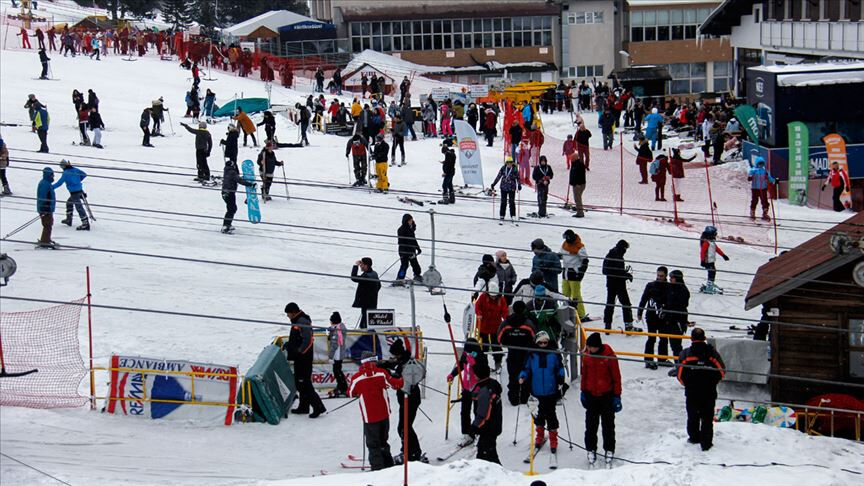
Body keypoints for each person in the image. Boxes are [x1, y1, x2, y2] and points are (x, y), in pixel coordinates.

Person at [349, 351, 403, 471]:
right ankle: (388, 464)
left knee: (373, 444)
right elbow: (396, 384)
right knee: (383, 441)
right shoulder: (382, 373)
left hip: (369, 417)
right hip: (384, 414)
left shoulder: (357, 378)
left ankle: (377, 468)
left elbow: (351, 392)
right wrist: (404, 378)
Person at [677, 327, 725, 451]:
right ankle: (706, 442)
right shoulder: (712, 353)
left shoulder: (685, 354)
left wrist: (687, 384)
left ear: (691, 339)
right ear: (704, 338)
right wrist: (713, 383)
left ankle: (694, 437)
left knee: (692, 415)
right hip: (709, 391)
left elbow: (679, 374)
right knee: (707, 417)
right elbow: (722, 371)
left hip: (692, 392)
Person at [519, 331, 566, 454]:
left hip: (551, 390)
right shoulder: (531, 354)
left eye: (545, 342)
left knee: (551, 415)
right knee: (538, 415)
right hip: (536, 390)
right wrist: (522, 376)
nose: (543, 344)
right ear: (537, 342)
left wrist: (561, 376)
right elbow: (526, 368)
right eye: (541, 342)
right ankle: (539, 435)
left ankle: (553, 438)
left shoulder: (554, 354)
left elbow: (560, 367)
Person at [581, 332, 621, 467]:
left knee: (608, 426)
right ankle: (591, 449)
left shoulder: (610, 358)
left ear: (598, 346)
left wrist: (617, 396)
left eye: (591, 347)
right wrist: (583, 391)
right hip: (591, 396)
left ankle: (609, 449)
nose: (589, 349)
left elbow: (616, 378)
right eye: (588, 347)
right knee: (591, 426)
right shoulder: (587, 357)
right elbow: (584, 375)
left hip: (606, 396)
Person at [282, 303, 326, 418]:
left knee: (304, 383)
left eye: (288, 314)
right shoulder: (298, 320)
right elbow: (297, 339)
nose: (287, 316)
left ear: (293, 312)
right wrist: (289, 345)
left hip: (304, 359)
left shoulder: (302, 321)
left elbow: (308, 340)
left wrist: (300, 351)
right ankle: (304, 406)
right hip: (299, 358)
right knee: (300, 383)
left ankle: (318, 407)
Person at [386, 338, 425, 464]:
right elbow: (393, 365)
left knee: (404, 427)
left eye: (394, 355)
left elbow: (402, 380)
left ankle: (412, 453)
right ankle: (410, 451)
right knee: (404, 427)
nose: (393, 357)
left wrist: (391, 375)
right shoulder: (403, 359)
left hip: (409, 397)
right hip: (406, 398)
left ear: (399, 353)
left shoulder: (407, 364)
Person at [447, 338, 487, 447]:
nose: (468, 353)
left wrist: (474, 364)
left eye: (470, 352)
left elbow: (484, 372)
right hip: (466, 388)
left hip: (478, 388)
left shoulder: (481, 356)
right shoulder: (465, 355)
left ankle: (478, 432)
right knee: (464, 412)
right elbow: (460, 365)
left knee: (477, 412)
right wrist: (453, 374)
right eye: (466, 351)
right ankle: (467, 433)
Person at [497, 301, 537, 405]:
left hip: (512, 354)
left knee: (513, 376)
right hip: (525, 354)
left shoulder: (506, 323)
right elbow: (534, 337)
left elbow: (500, 337)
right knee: (526, 375)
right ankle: (524, 398)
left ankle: (513, 399)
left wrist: (508, 343)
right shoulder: (528, 323)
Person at [637, 266, 669, 370]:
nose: (659, 277)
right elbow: (644, 299)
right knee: (651, 338)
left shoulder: (668, 287)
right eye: (658, 275)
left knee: (663, 338)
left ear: (666, 276)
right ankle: (648, 360)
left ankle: (662, 359)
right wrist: (639, 312)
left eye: (661, 276)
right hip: (651, 316)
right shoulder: (650, 286)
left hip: (663, 317)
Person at [471, 360, 503, 464]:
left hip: (488, 427)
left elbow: (484, 412)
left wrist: (476, 426)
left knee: (488, 455)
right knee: (484, 452)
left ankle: (500, 475)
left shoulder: (485, 390)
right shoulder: (491, 384)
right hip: (493, 425)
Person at [474, 281, 509, 371]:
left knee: (496, 346)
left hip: (495, 326)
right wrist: (479, 314)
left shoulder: (501, 299)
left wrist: (506, 319)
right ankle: (484, 364)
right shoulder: (482, 297)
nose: (493, 297)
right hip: (483, 326)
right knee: (484, 346)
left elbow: (504, 311)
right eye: (491, 295)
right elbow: (477, 307)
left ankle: (498, 363)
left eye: (495, 295)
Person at [602, 240, 635, 331]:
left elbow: (606, 271)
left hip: (610, 284)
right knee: (626, 304)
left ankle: (607, 325)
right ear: (623, 248)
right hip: (619, 285)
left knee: (610, 304)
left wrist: (623, 273)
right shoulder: (618, 256)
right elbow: (617, 272)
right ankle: (628, 325)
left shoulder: (609, 255)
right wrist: (626, 275)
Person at [219, 159, 255, 234]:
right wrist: (250, 184)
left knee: (232, 208)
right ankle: (226, 226)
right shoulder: (232, 172)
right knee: (231, 209)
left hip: (225, 193)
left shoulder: (227, 171)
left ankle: (228, 224)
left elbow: (237, 178)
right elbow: (239, 180)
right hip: (229, 192)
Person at [561, 230, 590, 321]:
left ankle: (581, 314)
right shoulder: (565, 244)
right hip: (565, 271)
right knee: (565, 294)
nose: (566, 240)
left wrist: (581, 273)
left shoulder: (579, 246)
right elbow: (563, 255)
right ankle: (565, 312)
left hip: (574, 273)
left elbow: (585, 260)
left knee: (576, 295)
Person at [53, 160, 89, 231]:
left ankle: (85, 223)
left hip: (74, 192)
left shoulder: (65, 173)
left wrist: (51, 187)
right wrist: (77, 180)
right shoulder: (75, 169)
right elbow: (84, 174)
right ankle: (69, 219)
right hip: (80, 190)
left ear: (63, 166)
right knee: (69, 203)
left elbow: (59, 183)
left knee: (79, 207)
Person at [665, 269, 691, 364]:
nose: (670, 279)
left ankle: (679, 364)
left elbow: (681, 305)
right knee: (672, 344)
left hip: (677, 321)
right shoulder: (670, 287)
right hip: (671, 320)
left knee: (676, 344)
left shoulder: (682, 290)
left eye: (672, 278)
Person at [490, 157, 521, 225]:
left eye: (511, 162)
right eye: (508, 162)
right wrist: (494, 184)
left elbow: (518, 178)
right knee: (503, 202)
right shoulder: (503, 168)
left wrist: (519, 185)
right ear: (506, 163)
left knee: (512, 202)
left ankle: (513, 215)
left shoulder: (514, 169)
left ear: (512, 163)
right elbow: (499, 176)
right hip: (503, 187)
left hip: (511, 188)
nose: (509, 164)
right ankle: (502, 215)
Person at [351, 257, 381, 328]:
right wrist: (373, 293)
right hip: (373, 302)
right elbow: (379, 285)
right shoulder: (374, 274)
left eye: (362, 265)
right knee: (368, 320)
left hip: (366, 303)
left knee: (365, 323)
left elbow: (353, 277)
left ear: (366, 265)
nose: (360, 266)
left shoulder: (366, 276)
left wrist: (356, 266)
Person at [699, 225, 728, 294]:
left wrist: (723, 255)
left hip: (711, 261)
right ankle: (709, 286)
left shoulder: (711, 242)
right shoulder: (706, 242)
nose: (715, 235)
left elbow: (716, 249)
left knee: (713, 272)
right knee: (712, 272)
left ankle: (710, 283)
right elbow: (702, 252)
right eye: (714, 233)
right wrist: (702, 261)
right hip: (707, 261)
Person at [395, 213, 422, 285]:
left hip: (411, 250)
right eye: (410, 220)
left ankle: (417, 275)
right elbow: (402, 242)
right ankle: (400, 279)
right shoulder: (401, 230)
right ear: (406, 221)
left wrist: (418, 248)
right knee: (404, 265)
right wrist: (406, 252)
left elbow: (413, 240)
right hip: (404, 251)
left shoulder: (411, 229)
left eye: (412, 220)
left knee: (415, 264)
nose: (411, 221)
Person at [326, 312, 349, 398]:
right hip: (339, 353)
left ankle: (343, 387)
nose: (330, 323)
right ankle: (342, 386)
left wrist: (330, 357)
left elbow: (334, 345)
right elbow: (333, 329)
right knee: (338, 370)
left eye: (331, 321)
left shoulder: (338, 331)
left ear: (334, 321)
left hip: (337, 354)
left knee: (337, 371)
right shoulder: (339, 327)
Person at [747, 156, 775, 220]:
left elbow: (770, 179)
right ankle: (752, 212)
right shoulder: (753, 170)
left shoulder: (765, 171)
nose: (761, 165)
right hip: (755, 188)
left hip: (763, 188)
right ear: (757, 163)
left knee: (765, 201)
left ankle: (765, 213)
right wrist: (750, 176)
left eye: (762, 163)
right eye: (759, 163)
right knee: (754, 201)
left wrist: (774, 181)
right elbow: (749, 177)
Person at [36, 167, 57, 248]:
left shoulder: (47, 183)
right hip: (45, 209)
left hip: (48, 209)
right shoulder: (45, 184)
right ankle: (45, 241)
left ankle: (46, 239)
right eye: (52, 175)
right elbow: (42, 197)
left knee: (49, 224)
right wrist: (43, 209)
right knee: (47, 225)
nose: (53, 177)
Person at [569, 152, 587, 218]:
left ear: (575, 158)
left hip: (578, 185)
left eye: (572, 157)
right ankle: (579, 211)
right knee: (577, 199)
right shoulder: (574, 164)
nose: (571, 159)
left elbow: (580, 176)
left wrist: (578, 184)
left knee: (577, 199)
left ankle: (580, 213)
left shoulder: (579, 165)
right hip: (576, 184)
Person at [440, 138, 456, 204]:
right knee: (450, 185)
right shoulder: (451, 154)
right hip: (452, 172)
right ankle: (452, 199)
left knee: (444, 185)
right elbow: (450, 162)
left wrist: (445, 173)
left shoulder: (448, 154)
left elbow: (448, 165)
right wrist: (445, 162)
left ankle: (445, 199)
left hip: (449, 172)